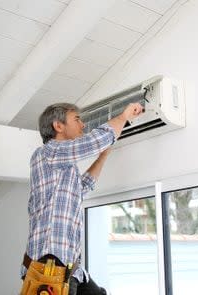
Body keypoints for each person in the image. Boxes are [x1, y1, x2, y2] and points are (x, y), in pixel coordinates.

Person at [20, 102, 144, 295]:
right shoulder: (48, 153)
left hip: (69, 269)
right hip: (48, 270)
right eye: (77, 119)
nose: (83, 124)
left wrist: (102, 157)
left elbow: (82, 187)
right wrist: (124, 116)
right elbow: (93, 142)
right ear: (58, 126)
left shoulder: (63, 166)